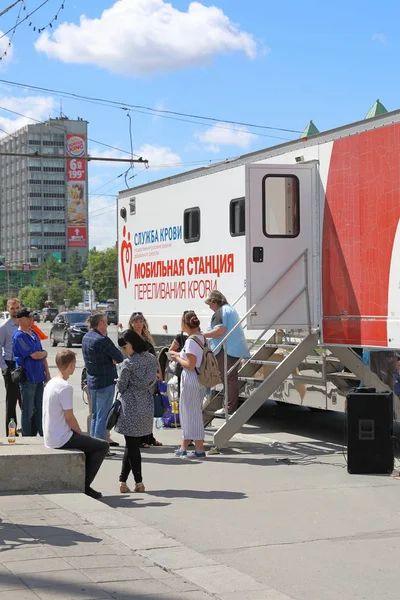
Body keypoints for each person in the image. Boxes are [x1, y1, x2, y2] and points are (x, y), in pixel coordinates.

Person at [43, 349, 109, 500]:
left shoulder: (51, 383)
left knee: (90, 445)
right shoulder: (65, 387)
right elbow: (69, 418)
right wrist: (80, 433)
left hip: (51, 435)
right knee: (103, 446)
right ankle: (84, 485)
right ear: (71, 365)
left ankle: (81, 481)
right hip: (61, 437)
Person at [115, 329, 158, 493]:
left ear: (131, 345)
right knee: (131, 444)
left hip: (131, 404)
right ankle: (122, 481)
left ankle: (139, 482)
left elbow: (121, 386)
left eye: (124, 347)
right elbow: (152, 380)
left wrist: (119, 381)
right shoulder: (152, 359)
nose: (124, 351)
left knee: (132, 445)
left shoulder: (128, 364)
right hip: (146, 403)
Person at [203, 290, 249, 416]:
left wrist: (202, 335)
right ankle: (228, 406)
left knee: (228, 379)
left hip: (228, 350)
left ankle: (228, 408)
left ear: (215, 301)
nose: (209, 307)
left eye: (210, 304)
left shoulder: (221, 312)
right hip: (234, 348)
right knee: (230, 378)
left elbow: (219, 331)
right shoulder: (229, 310)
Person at [169, 310, 206, 458]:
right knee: (190, 413)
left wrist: (177, 358)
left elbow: (190, 365)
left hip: (191, 378)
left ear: (185, 324)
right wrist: (179, 355)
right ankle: (185, 446)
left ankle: (199, 449)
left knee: (192, 414)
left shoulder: (191, 340)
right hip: (198, 378)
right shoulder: (201, 337)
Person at [82, 312, 124, 442]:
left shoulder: (86, 337)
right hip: (105, 382)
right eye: (105, 322)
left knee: (95, 415)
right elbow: (119, 357)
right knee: (102, 416)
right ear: (100, 323)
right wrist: (111, 359)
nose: (107, 325)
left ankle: (94, 443)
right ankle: (100, 446)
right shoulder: (102, 340)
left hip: (93, 381)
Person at [13, 307, 50, 436]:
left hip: (39, 376)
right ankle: (27, 435)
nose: (31, 320)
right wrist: (43, 353)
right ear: (20, 319)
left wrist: (47, 374)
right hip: (28, 377)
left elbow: (42, 355)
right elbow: (34, 355)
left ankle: (43, 433)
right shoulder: (19, 336)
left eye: (32, 317)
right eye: (28, 318)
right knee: (27, 410)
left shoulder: (33, 334)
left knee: (40, 408)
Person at [128, 311, 162, 448]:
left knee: (149, 409)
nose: (138, 324)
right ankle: (141, 439)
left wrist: (159, 371)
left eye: (140, 321)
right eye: (135, 321)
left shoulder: (146, 336)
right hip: (139, 377)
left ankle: (149, 437)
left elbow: (154, 355)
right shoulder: (129, 337)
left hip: (151, 375)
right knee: (139, 410)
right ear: (131, 323)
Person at [0, 298, 21, 434]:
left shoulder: (25, 324)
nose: (15, 310)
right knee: (11, 401)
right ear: (8, 309)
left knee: (26, 400)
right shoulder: (4, 327)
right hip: (10, 365)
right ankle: (11, 433)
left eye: (17, 307)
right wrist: (4, 367)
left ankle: (28, 431)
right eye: (12, 308)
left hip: (24, 365)